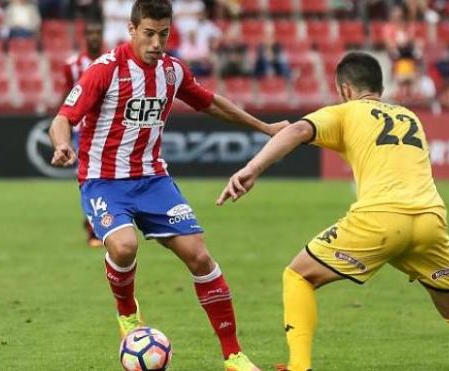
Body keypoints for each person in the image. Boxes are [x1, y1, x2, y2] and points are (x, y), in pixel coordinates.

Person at [217, 51, 449, 371]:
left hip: (381, 220)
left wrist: (252, 168)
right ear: (380, 89)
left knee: (298, 275)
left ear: (345, 90)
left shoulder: (347, 112)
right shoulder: (410, 117)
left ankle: (299, 367)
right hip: (430, 221)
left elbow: (300, 131)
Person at [48, 1, 287, 370]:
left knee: (200, 257)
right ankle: (127, 313)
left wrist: (266, 128)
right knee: (124, 247)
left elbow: (212, 103)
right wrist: (63, 144)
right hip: (104, 181)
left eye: (163, 33)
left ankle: (233, 355)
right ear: (131, 30)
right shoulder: (105, 70)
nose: (157, 42)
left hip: (153, 180)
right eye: (149, 33)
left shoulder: (172, 72)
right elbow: (63, 118)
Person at [61, 18, 105, 248]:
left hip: (108, 129)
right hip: (83, 132)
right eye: (91, 32)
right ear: (85, 36)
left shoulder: (114, 61)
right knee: (91, 179)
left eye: (98, 32)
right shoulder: (72, 65)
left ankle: (98, 224)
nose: (95, 37)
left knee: (106, 179)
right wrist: (64, 130)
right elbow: (67, 98)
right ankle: (93, 229)